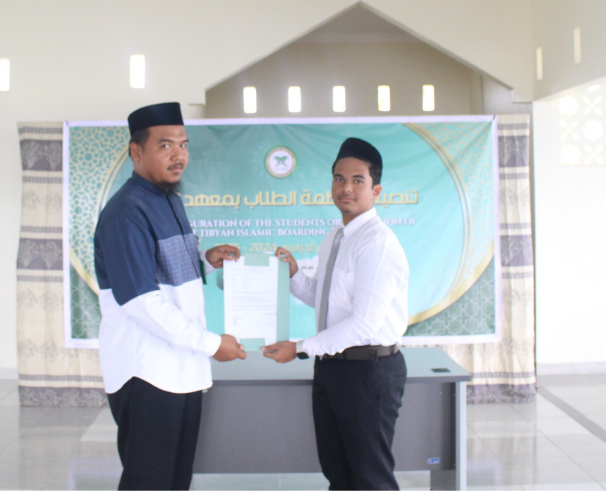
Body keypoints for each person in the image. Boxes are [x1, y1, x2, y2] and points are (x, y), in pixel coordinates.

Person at [93, 102, 247, 491]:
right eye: (165, 146)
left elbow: (162, 271)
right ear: (136, 151)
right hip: (147, 375)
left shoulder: (169, 199)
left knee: (176, 482)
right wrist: (212, 344)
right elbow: (142, 302)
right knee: (149, 483)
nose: (178, 155)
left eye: (183, 144)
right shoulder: (127, 212)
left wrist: (206, 260)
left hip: (180, 370)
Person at [262, 137, 410, 491]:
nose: (346, 188)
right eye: (339, 179)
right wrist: (294, 275)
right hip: (333, 369)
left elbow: (363, 325)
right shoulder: (336, 237)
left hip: (367, 372)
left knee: (371, 480)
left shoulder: (376, 243)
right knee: (339, 476)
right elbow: (325, 300)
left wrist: (299, 347)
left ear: (376, 190)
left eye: (358, 180)